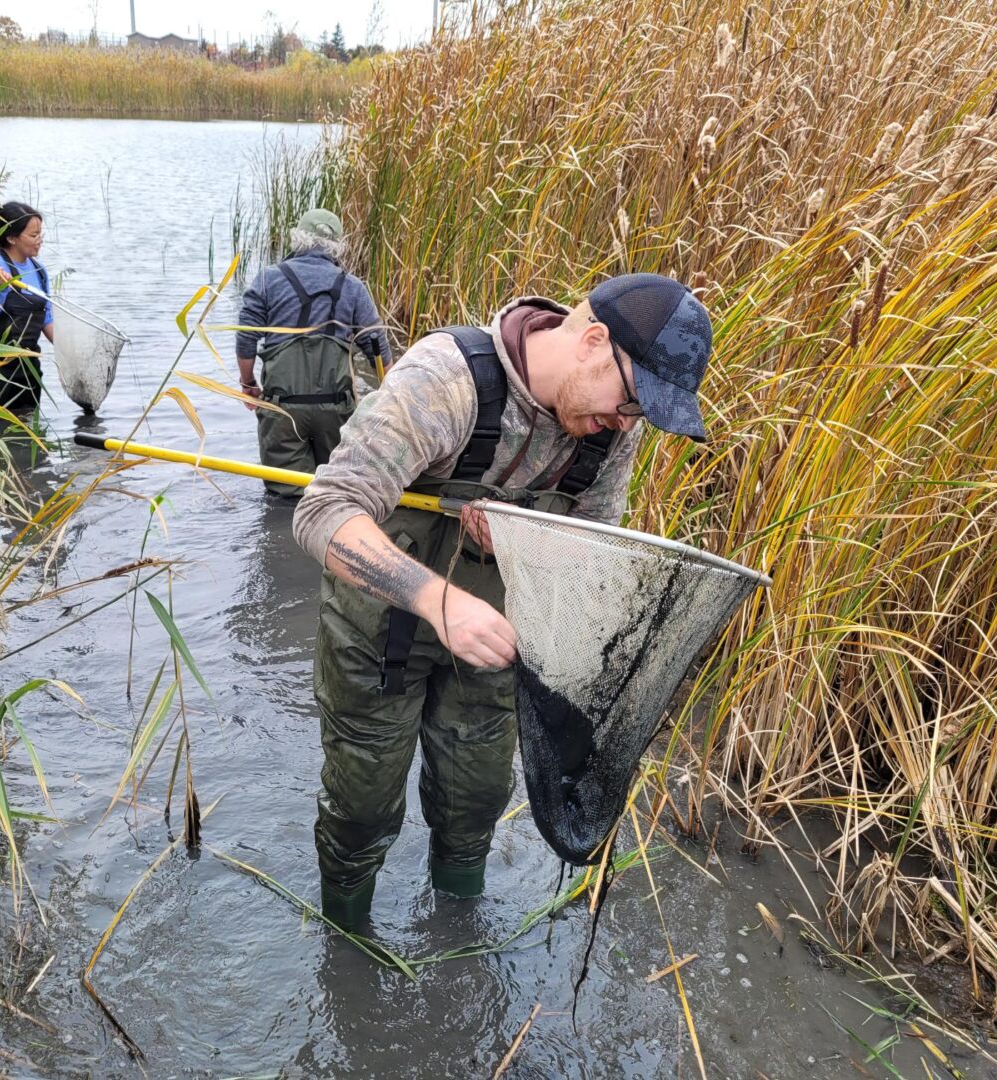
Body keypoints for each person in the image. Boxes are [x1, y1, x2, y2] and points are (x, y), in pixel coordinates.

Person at [291, 273, 713, 928]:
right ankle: (347, 944)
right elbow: (324, 513)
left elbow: (586, 548)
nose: (626, 423)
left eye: (639, 414)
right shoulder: (446, 380)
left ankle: (457, 936)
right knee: (364, 805)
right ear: (593, 341)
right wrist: (437, 600)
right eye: (631, 400)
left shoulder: (610, 428)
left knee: (477, 800)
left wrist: (529, 540)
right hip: (382, 629)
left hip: (496, 638)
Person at [235, 209, 389, 497]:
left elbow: (246, 337)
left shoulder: (268, 279)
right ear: (338, 246)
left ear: (298, 239)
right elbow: (379, 350)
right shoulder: (353, 287)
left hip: (283, 411)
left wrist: (248, 383)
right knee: (334, 495)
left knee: (285, 499)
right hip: (337, 412)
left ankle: (283, 542)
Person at [0, 201, 53, 412]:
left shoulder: (39, 271)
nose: (39, 241)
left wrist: (72, 350)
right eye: (33, 236)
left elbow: (47, 319)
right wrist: (2, 288)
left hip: (27, 368)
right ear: (11, 237)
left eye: (40, 234)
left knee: (28, 432)